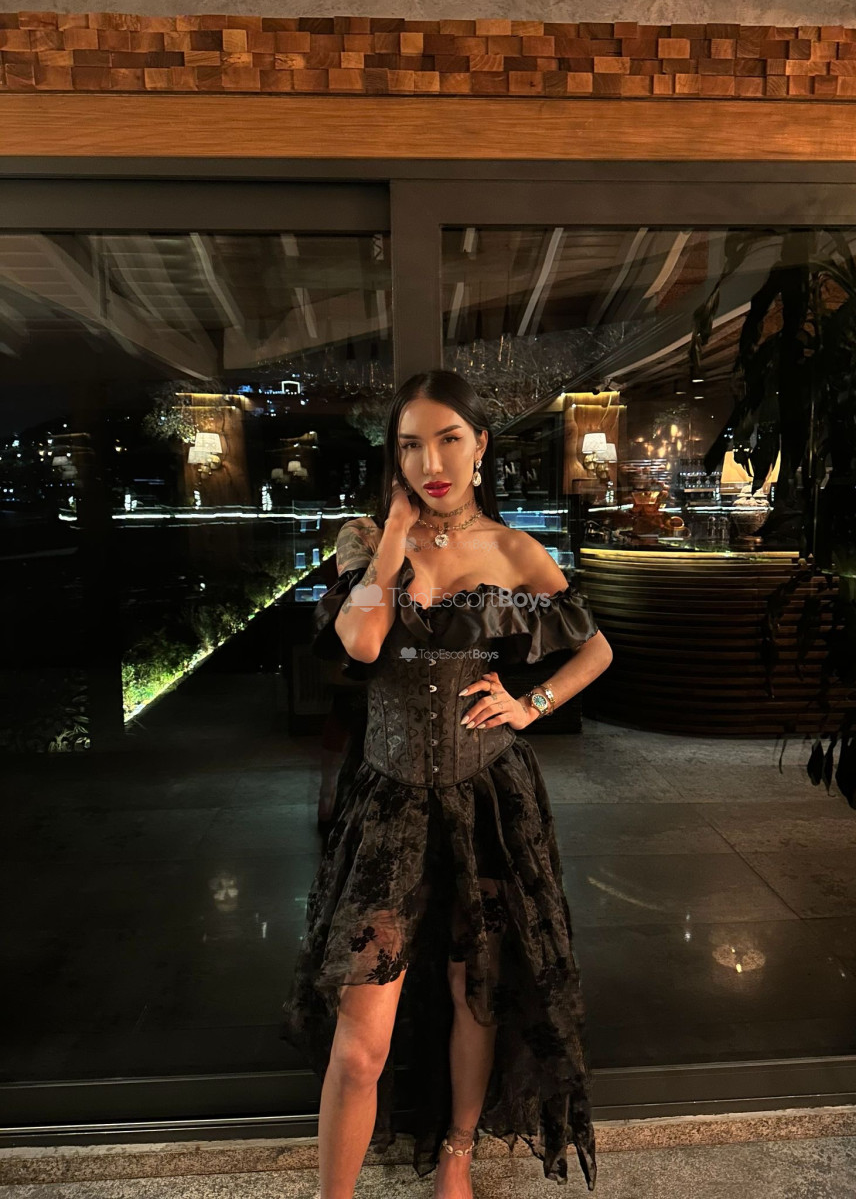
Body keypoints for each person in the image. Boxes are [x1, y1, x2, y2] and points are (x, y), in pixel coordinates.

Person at [280, 369, 614, 1198]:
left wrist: (530, 705)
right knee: (362, 1036)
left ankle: (457, 1159)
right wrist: (396, 532)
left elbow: (597, 648)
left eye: (448, 439)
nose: (431, 462)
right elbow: (362, 645)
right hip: (389, 803)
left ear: (480, 445)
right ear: (394, 459)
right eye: (410, 445)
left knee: (476, 992)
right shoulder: (366, 539)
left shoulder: (513, 550)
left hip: (484, 800)